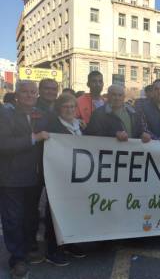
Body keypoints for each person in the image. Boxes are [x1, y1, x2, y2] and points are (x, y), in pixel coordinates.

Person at [0, 81, 49, 278]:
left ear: (37, 95)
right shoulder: (6, 114)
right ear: (17, 95)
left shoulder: (42, 115)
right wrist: (34, 138)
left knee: (31, 216)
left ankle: (28, 247)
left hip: (34, 177)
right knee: (13, 220)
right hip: (11, 178)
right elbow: (3, 143)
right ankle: (17, 259)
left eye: (33, 92)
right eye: (25, 92)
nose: (29, 95)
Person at [40, 94, 86, 266]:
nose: (69, 110)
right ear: (59, 109)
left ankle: (68, 243)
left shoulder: (79, 126)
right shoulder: (52, 125)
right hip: (58, 177)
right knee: (54, 214)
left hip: (75, 177)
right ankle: (52, 250)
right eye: (66, 107)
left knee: (71, 212)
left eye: (72, 107)